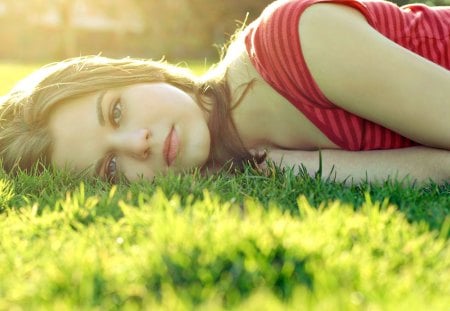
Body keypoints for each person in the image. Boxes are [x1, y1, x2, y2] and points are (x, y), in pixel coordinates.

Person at [0, 0, 449, 184]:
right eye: (111, 166)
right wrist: (295, 166)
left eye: (116, 113)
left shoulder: (294, 43)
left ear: (136, 73)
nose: (138, 143)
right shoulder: (248, 161)